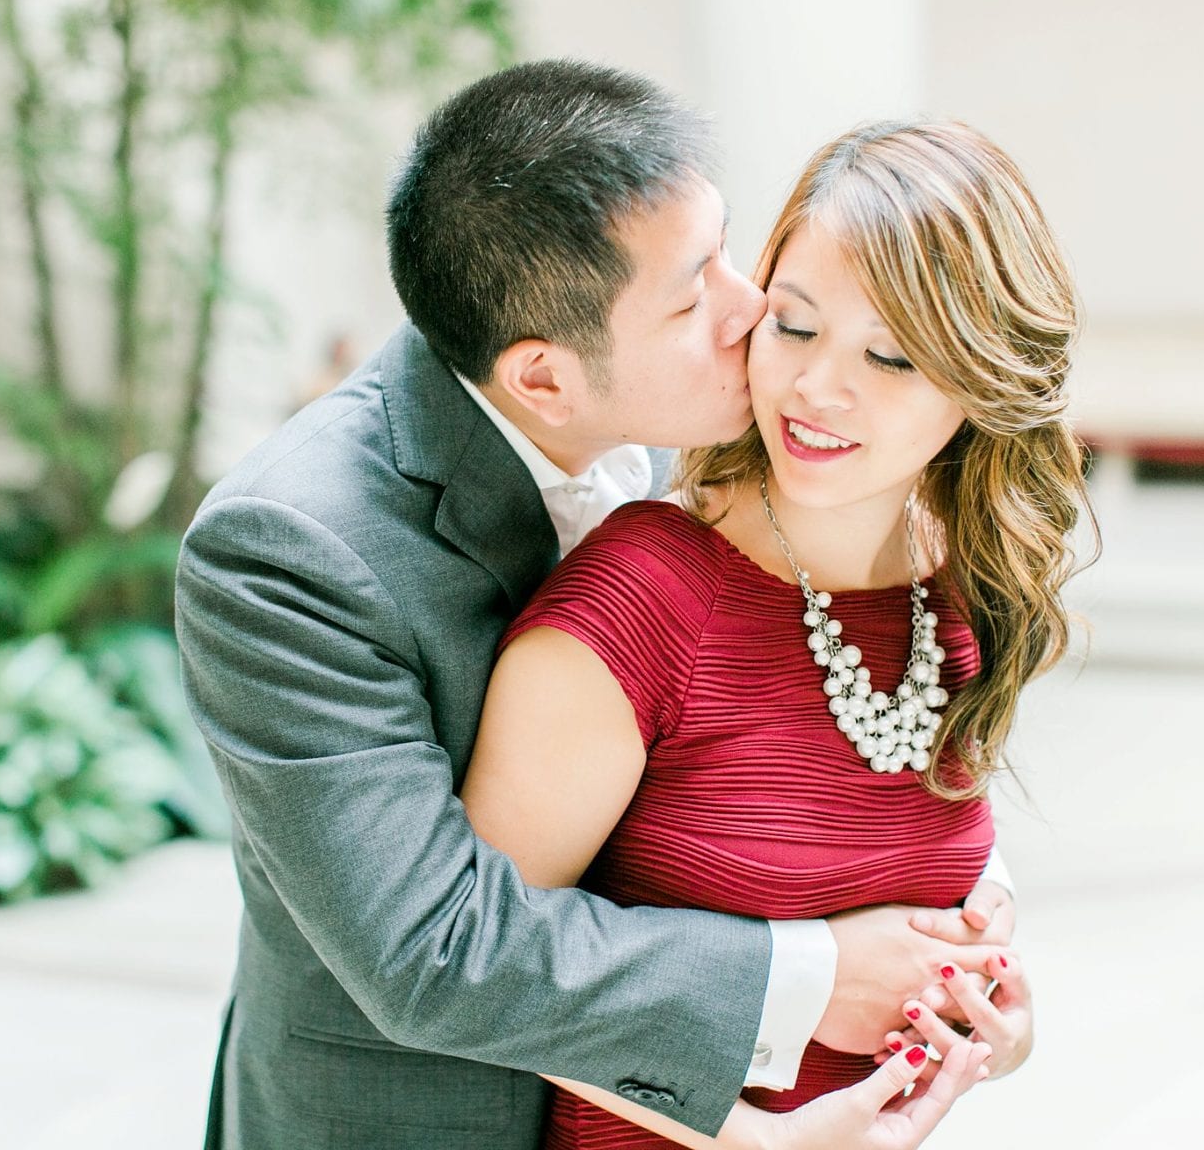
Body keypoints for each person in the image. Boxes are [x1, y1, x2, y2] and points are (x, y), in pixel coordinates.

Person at [176, 62, 1014, 1150]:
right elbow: (435, 949)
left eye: (723, 246)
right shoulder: (289, 549)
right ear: (544, 380)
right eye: (691, 293)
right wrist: (812, 977)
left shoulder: (711, 418)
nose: (748, 306)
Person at [458, 118, 1092, 1148]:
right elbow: (485, 970)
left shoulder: (960, 583)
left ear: (980, 382)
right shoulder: (641, 601)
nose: (816, 388)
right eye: (793, 327)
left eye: (889, 356)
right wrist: (739, 1135)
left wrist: (989, 1019)